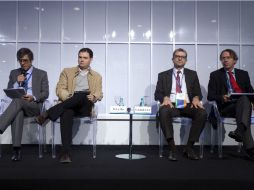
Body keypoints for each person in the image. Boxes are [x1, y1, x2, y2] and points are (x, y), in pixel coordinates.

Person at [36, 48, 103, 163]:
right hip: (69, 103)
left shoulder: (97, 76)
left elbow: (99, 92)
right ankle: (65, 154)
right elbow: (60, 89)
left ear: (91, 59)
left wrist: (95, 96)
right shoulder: (67, 71)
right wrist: (69, 97)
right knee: (66, 113)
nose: (81, 60)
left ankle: (47, 114)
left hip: (85, 105)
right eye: (80, 57)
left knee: (82, 94)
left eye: (85, 58)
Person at [154, 48, 207, 161]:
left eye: (182, 57)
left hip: (188, 104)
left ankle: (189, 147)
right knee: (163, 111)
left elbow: (198, 93)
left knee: (202, 113)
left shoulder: (192, 74)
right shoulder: (163, 75)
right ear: (172, 59)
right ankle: (172, 148)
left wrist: (196, 98)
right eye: (177, 56)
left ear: (185, 60)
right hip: (171, 104)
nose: (179, 58)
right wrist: (164, 97)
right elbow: (157, 93)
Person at [0, 48, 49, 161]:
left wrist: (34, 97)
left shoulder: (41, 73)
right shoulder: (14, 73)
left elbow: (45, 93)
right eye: (20, 60)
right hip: (18, 105)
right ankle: (17, 150)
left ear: (31, 60)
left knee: (18, 102)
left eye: (25, 60)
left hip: (34, 105)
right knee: (18, 111)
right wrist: (17, 82)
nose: (22, 63)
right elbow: (9, 92)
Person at [207, 49, 254, 160]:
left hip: (242, 106)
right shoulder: (215, 75)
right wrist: (221, 97)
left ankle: (242, 135)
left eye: (228, 58)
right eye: (223, 58)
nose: (225, 60)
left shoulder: (243, 74)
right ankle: (243, 134)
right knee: (245, 103)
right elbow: (210, 96)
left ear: (235, 60)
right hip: (226, 107)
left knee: (244, 99)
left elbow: (251, 92)